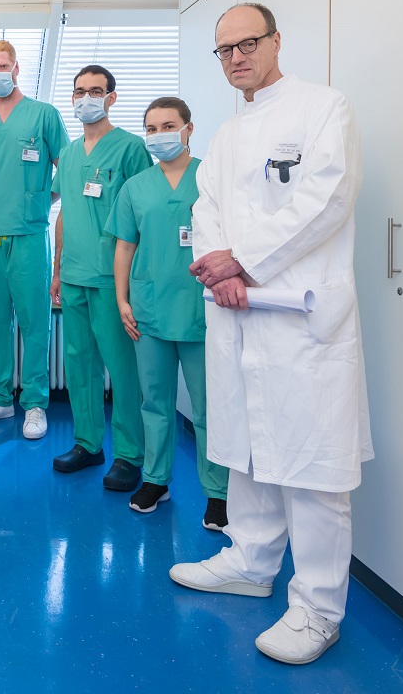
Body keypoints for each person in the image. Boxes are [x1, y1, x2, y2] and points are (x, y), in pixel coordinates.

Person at [168, 3, 372, 665]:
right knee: (247, 447)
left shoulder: (324, 108)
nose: (236, 58)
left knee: (312, 467)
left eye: (247, 43)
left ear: (276, 40)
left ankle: (318, 610)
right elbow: (206, 210)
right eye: (224, 50)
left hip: (301, 320)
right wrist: (221, 263)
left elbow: (327, 198)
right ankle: (251, 562)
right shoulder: (228, 135)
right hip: (239, 314)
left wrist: (243, 261)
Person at [106, 97, 228, 524]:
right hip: (150, 310)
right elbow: (125, 247)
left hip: (202, 310)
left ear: (189, 129)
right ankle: (155, 480)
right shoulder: (135, 187)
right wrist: (122, 300)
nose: (159, 135)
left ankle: (218, 493)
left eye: (168, 126)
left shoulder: (212, 179)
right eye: (152, 128)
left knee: (208, 408)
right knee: (155, 402)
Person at [0, 40, 69, 439]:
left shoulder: (43, 115)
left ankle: (35, 404)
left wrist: (38, 200)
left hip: (29, 234)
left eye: (3, 66)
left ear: (17, 68)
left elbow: (67, 167)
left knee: (35, 322)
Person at [48, 65, 148, 489]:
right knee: (79, 364)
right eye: (79, 91)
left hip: (111, 278)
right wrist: (57, 269)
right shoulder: (70, 154)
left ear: (111, 97)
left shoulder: (130, 149)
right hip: (73, 276)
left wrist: (131, 283)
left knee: (122, 369)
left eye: (95, 91)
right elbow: (65, 213)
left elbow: (144, 212)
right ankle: (88, 444)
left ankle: (129, 455)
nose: (85, 98)